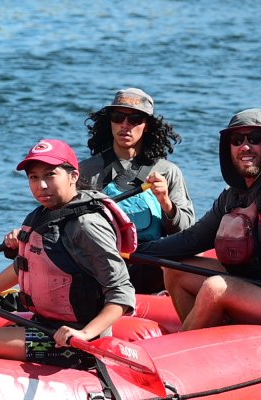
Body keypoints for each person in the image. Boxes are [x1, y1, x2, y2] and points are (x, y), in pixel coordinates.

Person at [138, 108, 261, 332]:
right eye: (237, 140)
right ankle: (201, 337)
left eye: (254, 139)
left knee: (215, 287)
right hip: (258, 285)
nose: (245, 146)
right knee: (176, 270)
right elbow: (192, 239)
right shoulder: (233, 195)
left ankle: (182, 348)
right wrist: (139, 249)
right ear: (228, 149)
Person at [0, 139, 136, 369]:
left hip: (76, 343)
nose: (42, 186)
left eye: (50, 175)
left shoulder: (88, 225)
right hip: (45, 326)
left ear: (73, 176)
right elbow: (24, 266)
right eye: (34, 177)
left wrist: (85, 333)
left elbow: (122, 292)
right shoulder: (41, 216)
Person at [80, 87, 195, 293]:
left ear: (147, 126)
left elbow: (186, 231)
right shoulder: (87, 171)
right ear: (110, 122)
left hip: (149, 264)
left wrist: (166, 204)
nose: (125, 125)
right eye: (118, 117)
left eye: (135, 119)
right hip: (103, 262)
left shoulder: (168, 172)